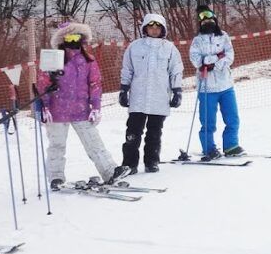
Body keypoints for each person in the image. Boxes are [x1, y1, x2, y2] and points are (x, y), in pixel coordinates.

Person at [37, 22, 130, 187]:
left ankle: (109, 171)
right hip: (57, 111)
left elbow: (95, 84)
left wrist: (96, 107)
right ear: (62, 40)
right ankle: (55, 177)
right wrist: (43, 106)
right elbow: (42, 84)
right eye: (70, 37)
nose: (73, 41)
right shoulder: (54, 59)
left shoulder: (88, 60)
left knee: (94, 142)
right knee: (57, 145)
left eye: (77, 37)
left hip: (81, 110)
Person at [119, 13, 184, 174]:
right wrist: (124, 89)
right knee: (133, 133)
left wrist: (177, 91)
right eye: (151, 27)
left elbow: (176, 71)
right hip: (138, 98)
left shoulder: (169, 48)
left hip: (159, 97)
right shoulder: (135, 46)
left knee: (154, 133)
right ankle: (129, 164)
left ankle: (152, 161)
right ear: (145, 28)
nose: (154, 30)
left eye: (157, 27)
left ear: (163, 29)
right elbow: (127, 69)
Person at [188, 5, 243, 160]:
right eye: (204, 22)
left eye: (210, 20)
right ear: (200, 24)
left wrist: (215, 62)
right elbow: (197, 60)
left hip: (226, 85)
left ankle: (231, 146)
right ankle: (209, 148)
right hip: (207, 87)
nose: (208, 23)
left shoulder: (223, 36)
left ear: (215, 20)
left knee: (232, 118)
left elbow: (229, 56)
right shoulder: (197, 41)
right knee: (208, 121)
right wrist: (213, 58)